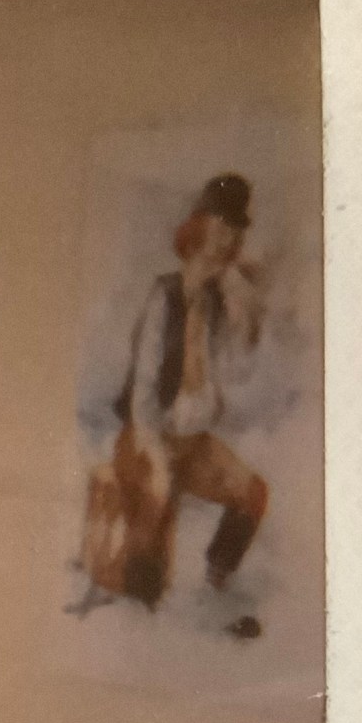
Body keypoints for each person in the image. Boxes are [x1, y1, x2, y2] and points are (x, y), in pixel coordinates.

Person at [83, 171, 270, 611]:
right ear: (199, 229)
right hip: (145, 434)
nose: (226, 241)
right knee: (156, 513)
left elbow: (238, 373)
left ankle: (217, 578)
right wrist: (153, 450)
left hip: (193, 443)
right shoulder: (163, 297)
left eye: (235, 232)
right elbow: (144, 389)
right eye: (220, 228)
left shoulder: (221, 302)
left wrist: (245, 313)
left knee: (252, 493)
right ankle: (136, 600)